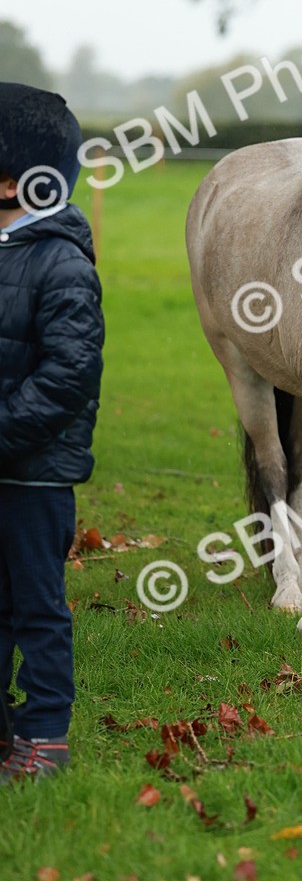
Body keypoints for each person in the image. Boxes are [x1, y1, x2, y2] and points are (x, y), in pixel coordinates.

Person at [0, 83, 103, 783]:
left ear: (14, 181)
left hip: (34, 476)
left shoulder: (61, 263)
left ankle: (44, 737)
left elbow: (69, 376)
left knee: (36, 608)